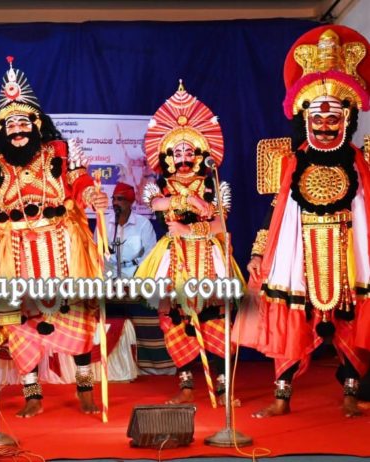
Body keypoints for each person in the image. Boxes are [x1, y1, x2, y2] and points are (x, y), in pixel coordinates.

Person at [237, 25, 370, 418]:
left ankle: (351, 392)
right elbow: (275, 210)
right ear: (303, 118)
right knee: (290, 323)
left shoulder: (362, 162)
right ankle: (282, 397)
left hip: (349, 254)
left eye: (334, 115)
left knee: (351, 321)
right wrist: (258, 253)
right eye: (317, 115)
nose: (325, 123)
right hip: (298, 255)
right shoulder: (289, 161)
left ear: (348, 118)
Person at [0, 57, 108, 418]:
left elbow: (79, 181)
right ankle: (32, 395)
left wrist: (90, 196)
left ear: (36, 124)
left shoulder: (58, 153)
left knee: (75, 316)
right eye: (10, 124)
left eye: (23, 122)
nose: (17, 130)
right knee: (20, 324)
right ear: (1, 130)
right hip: (14, 252)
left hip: (60, 245)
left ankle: (84, 389)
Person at [136, 81, 238, 405]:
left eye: (189, 151)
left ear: (200, 155)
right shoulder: (160, 188)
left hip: (208, 257)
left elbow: (221, 223)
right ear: (168, 158)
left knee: (216, 317)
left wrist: (191, 224)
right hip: (174, 258)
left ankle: (222, 386)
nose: (183, 158)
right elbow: (158, 205)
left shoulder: (214, 185)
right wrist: (189, 203)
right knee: (174, 319)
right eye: (177, 152)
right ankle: (186, 387)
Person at [105, 182, 157, 279]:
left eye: (120, 199)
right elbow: (95, 248)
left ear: (130, 202)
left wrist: (139, 271)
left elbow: (151, 251)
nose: (115, 203)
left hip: (133, 272)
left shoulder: (143, 224)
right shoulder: (104, 221)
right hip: (108, 271)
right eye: (114, 199)